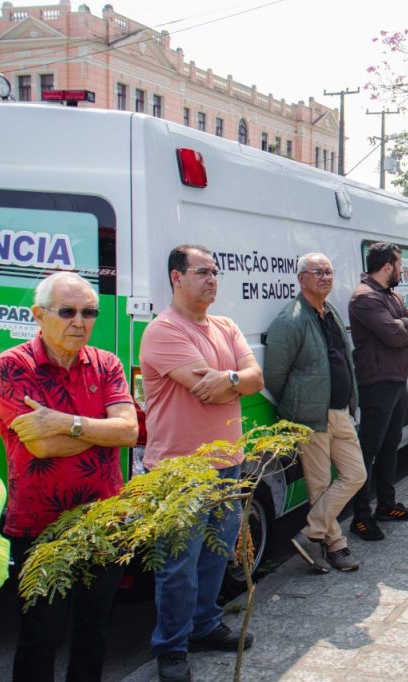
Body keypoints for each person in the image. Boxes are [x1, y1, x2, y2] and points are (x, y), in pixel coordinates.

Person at [0, 272, 138, 682]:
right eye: (68, 311)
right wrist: (99, 432)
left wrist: (64, 423)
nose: (80, 321)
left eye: (89, 312)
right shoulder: (12, 366)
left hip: (104, 522)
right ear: (38, 315)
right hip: (39, 526)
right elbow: (41, 447)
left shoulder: (106, 363)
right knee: (41, 633)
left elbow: (129, 432)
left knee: (94, 630)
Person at [140, 244, 265, 682]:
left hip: (228, 463)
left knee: (215, 557)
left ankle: (205, 625)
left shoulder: (225, 325)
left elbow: (255, 379)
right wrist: (237, 380)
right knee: (178, 566)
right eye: (202, 272)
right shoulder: (163, 331)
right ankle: (171, 646)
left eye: (215, 272)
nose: (212, 279)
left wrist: (231, 378)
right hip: (179, 470)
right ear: (176, 277)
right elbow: (204, 390)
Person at [265, 253, 367, 567]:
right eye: (317, 272)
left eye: (328, 272)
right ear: (301, 278)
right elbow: (274, 375)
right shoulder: (291, 319)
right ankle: (335, 545)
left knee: (356, 474)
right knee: (319, 484)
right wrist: (301, 402)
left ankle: (311, 533)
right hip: (311, 416)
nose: (324, 277)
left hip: (339, 412)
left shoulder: (330, 311)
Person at [347, 243, 408, 541]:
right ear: (388, 267)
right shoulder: (365, 297)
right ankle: (361, 517)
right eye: (400, 264)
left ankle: (387, 505)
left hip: (395, 382)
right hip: (377, 384)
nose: (402, 270)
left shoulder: (389, 295)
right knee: (368, 451)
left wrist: (402, 324)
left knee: (390, 445)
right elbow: (395, 336)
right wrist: (404, 326)